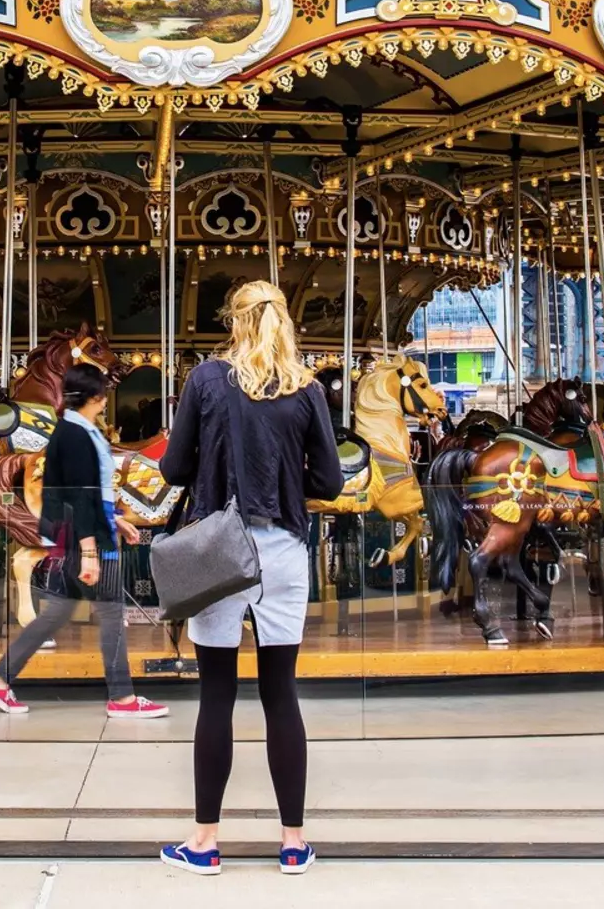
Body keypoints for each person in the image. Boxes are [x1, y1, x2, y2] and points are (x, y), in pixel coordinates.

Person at [157, 280, 343, 877]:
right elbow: (332, 482)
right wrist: (287, 481)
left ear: (234, 322)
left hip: (220, 546)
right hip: (283, 548)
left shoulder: (207, 380)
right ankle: (293, 842)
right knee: (280, 693)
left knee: (216, 694)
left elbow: (173, 465)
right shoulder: (307, 388)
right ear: (284, 321)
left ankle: (205, 843)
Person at [0, 361, 166, 720]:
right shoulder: (78, 435)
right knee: (108, 613)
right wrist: (91, 550)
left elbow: (88, 495)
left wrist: (116, 521)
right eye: (104, 392)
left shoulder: (75, 430)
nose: (106, 399)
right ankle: (121, 697)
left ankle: (0, 677)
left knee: (64, 611)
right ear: (96, 396)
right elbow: (80, 494)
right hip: (86, 539)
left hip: (83, 533)